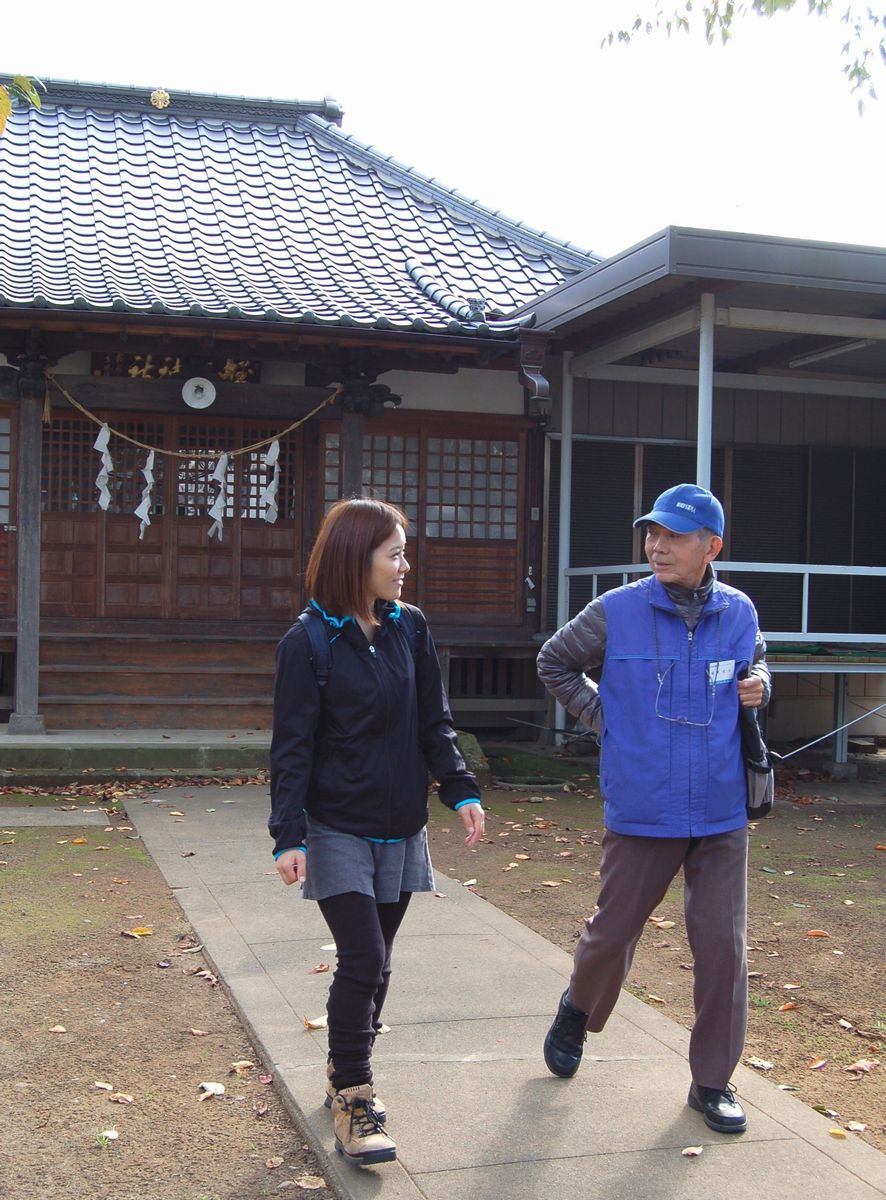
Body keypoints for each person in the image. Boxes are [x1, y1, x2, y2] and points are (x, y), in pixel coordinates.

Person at [537, 483, 770, 1135]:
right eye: (652, 534)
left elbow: (755, 666)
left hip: (722, 808)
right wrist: (608, 718)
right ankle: (577, 1010)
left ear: (711, 546)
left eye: (674, 536)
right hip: (645, 805)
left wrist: (761, 685)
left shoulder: (741, 611)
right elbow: (554, 662)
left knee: (723, 947)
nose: (656, 546)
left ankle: (712, 1082)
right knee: (612, 932)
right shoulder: (616, 610)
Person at [269, 497, 484, 1167]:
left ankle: (344, 1070)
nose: (404, 565)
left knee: (378, 962)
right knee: (362, 957)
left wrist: (459, 787)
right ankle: (357, 1097)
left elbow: (434, 722)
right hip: (336, 827)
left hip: (400, 824)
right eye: (393, 553)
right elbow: (292, 747)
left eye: (403, 552)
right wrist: (289, 834)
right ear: (354, 559)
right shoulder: (307, 643)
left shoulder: (409, 629)